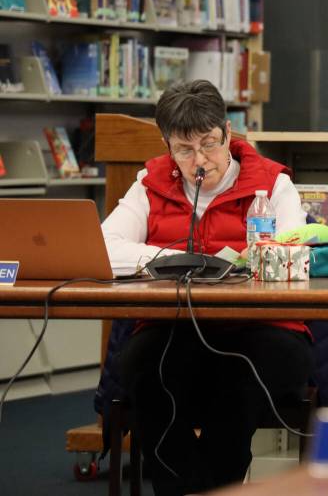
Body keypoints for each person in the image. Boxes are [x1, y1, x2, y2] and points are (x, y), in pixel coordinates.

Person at [101, 79, 312, 496]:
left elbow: (292, 252)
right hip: (175, 326)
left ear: (228, 133)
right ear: (167, 145)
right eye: (184, 149)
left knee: (238, 376)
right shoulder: (150, 182)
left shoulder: (272, 183)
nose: (199, 159)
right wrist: (171, 259)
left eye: (209, 143)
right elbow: (105, 247)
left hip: (265, 329)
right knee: (142, 368)